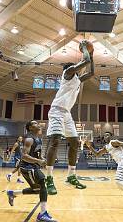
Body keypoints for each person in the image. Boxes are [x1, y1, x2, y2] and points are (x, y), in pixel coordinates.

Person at [45, 40, 94, 195]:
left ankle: (71, 176)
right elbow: (84, 61)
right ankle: (49, 179)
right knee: (55, 141)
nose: (77, 70)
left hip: (66, 113)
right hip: (57, 111)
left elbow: (92, 73)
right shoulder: (67, 74)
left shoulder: (77, 80)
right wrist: (85, 49)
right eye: (75, 68)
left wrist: (91, 55)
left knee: (74, 142)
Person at [7, 120, 57, 222]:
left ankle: (12, 193)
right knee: (43, 184)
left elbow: (37, 153)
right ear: (30, 128)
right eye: (35, 123)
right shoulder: (29, 139)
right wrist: (39, 161)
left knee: (37, 190)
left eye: (38, 123)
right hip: (27, 167)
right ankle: (42, 214)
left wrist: (43, 160)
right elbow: (24, 156)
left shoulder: (38, 139)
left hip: (33, 166)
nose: (38, 124)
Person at [84, 132, 123, 208]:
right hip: (121, 163)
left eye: (107, 135)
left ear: (111, 136)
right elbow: (97, 154)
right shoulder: (106, 147)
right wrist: (90, 146)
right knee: (122, 186)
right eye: (104, 135)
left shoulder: (113, 142)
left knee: (118, 181)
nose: (106, 136)